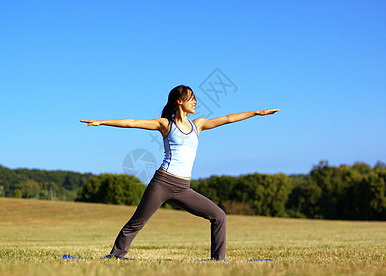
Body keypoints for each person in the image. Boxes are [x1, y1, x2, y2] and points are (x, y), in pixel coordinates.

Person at [80, 85, 279, 261]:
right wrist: (101, 121)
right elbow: (132, 122)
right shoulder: (166, 124)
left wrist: (255, 112)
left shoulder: (198, 125)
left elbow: (227, 119)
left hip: (183, 188)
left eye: (195, 99)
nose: (194, 102)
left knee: (218, 215)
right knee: (137, 221)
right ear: (179, 101)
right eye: (191, 98)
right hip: (162, 182)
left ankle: (218, 260)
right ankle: (116, 255)